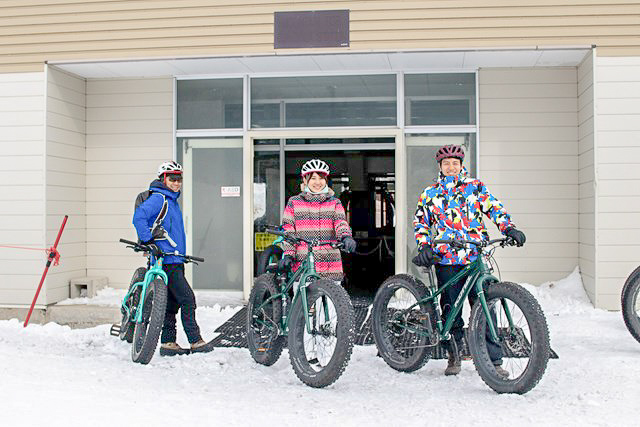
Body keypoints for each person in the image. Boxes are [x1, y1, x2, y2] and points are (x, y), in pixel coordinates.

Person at [412, 145, 526, 377]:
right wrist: (424, 246)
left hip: (475, 256)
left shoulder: (475, 187)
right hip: (447, 259)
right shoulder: (430, 193)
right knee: (451, 310)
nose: (451, 167)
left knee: (486, 307)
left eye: (455, 163)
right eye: (446, 164)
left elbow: (494, 208)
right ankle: (453, 355)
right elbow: (421, 222)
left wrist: (509, 228)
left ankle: (493, 361)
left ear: (462, 165)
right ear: (440, 167)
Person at [133, 160, 214, 356]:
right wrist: (148, 240)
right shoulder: (160, 198)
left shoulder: (171, 200)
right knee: (187, 299)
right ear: (163, 179)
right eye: (172, 178)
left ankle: (168, 342)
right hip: (166, 261)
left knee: (171, 303)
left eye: (179, 179)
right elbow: (139, 217)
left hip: (174, 259)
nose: (177, 183)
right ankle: (195, 341)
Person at [278, 159, 357, 282]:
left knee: (334, 299)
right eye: (313, 178)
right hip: (303, 262)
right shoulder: (294, 202)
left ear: (326, 180)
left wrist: (346, 236)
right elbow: (288, 230)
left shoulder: (334, 202)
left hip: (330, 262)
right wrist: (289, 254)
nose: (317, 182)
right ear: (305, 180)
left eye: (321, 178)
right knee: (303, 300)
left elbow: (340, 222)